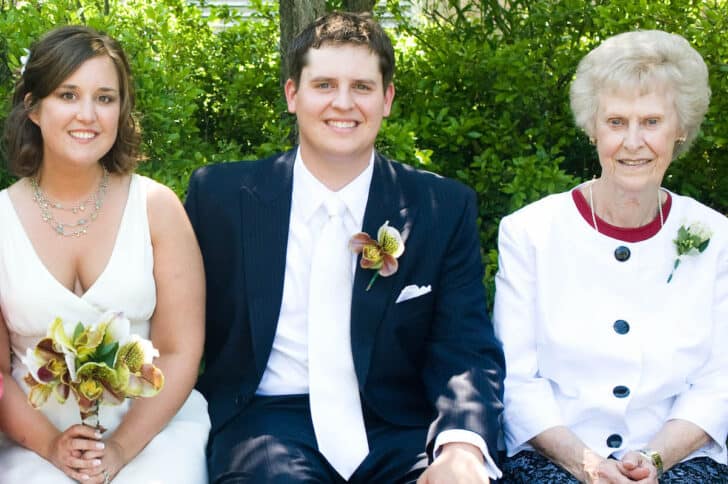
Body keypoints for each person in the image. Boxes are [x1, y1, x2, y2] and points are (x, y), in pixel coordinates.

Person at [185, 11, 505, 484]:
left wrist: (460, 447)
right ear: (293, 94)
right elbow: (173, 328)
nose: (343, 103)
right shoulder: (221, 198)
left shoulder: (440, 206)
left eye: (361, 86)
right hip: (267, 427)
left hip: (400, 427)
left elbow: (464, 346)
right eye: (324, 85)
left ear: (387, 98)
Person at [493, 29, 728, 483]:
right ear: (592, 127)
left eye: (652, 121)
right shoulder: (529, 232)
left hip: (680, 461)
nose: (633, 141)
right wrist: (590, 467)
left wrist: (654, 460)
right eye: (616, 122)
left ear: (681, 128)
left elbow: (721, 381)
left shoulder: (717, 237)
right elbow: (518, 381)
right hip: (554, 460)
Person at [0, 25, 210, 483]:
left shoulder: (157, 208)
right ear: (33, 108)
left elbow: (180, 351)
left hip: (151, 433)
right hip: (31, 439)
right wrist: (52, 447)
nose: (88, 115)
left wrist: (118, 449)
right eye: (68, 95)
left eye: (105, 98)